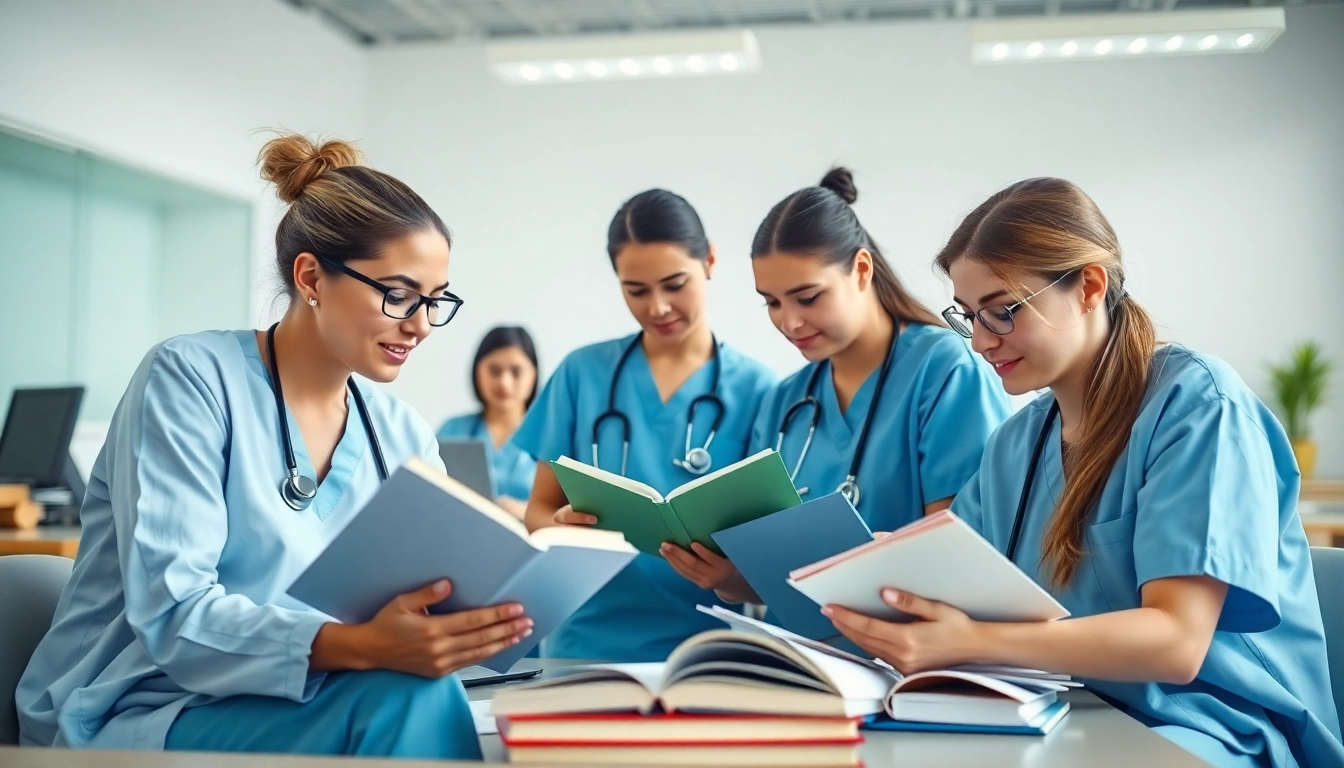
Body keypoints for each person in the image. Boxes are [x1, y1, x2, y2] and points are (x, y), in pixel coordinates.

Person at [16, 135, 532, 759]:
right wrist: (368, 645)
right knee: (410, 702)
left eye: (434, 300)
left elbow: (421, 605)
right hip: (140, 705)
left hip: (308, 696)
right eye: (398, 294)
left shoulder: (402, 435)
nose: (420, 323)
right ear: (311, 276)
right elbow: (174, 617)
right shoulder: (188, 379)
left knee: (446, 703)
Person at [822, 177, 1344, 768]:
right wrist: (884, 572)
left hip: (1213, 730)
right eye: (969, 317)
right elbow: (960, 574)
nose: (982, 342)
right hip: (1070, 718)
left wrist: (969, 641)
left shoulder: (1199, 407)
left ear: (1089, 285)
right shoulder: (1017, 443)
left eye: (1001, 312)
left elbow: (1177, 643)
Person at [663, 168, 1010, 603]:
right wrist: (725, 576)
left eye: (808, 298)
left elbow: (955, 553)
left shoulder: (942, 369)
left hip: (910, 653)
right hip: (805, 655)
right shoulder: (783, 403)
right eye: (772, 302)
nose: (789, 322)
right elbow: (767, 579)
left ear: (861, 269)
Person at [513, 188, 776, 662]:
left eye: (674, 284)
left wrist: (727, 573)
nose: (657, 307)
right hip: (584, 648)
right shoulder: (581, 375)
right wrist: (559, 529)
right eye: (636, 291)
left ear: (710, 261)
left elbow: (769, 556)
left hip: (708, 652)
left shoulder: (762, 391)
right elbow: (539, 510)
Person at [438, 326, 539, 519]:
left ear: (533, 375)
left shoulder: (552, 437)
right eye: (494, 371)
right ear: (478, 372)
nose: (504, 382)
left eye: (516, 372)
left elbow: (569, 511)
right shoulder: (452, 430)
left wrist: (531, 513)